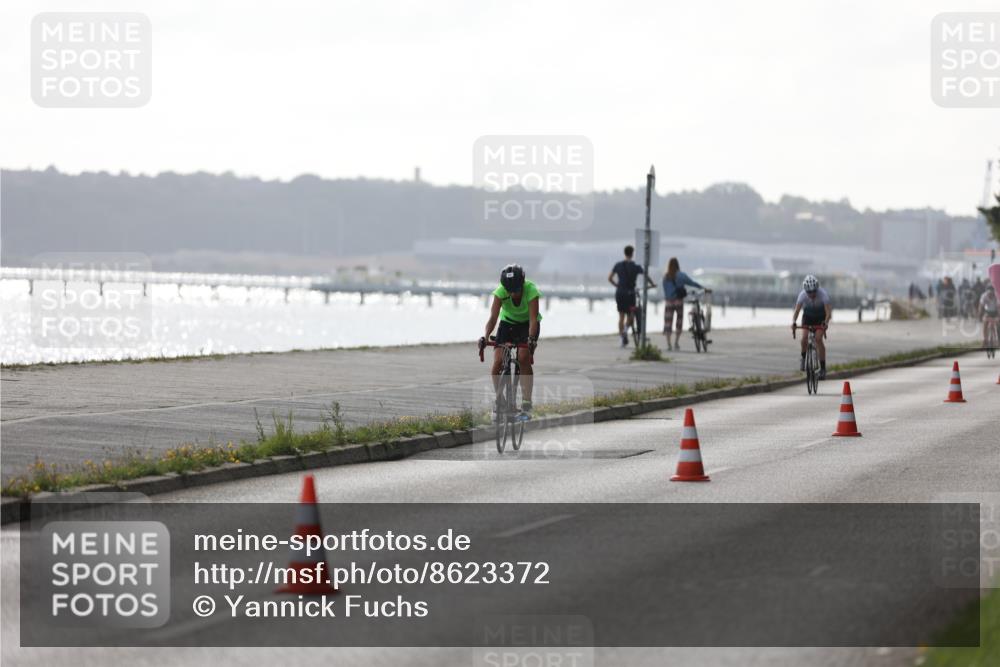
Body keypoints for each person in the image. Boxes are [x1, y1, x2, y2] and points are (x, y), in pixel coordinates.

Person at [479, 264, 540, 421]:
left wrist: (531, 339)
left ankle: (526, 403)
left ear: (523, 283)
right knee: (498, 361)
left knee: (523, 358)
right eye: (510, 291)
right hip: (507, 324)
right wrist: (486, 337)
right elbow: (493, 318)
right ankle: (500, 401)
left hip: (527, 325)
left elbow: (534, 320)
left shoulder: (531, 290)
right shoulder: (500, 292)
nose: (513, 294)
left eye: (517, 290)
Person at [608, 245, 655, 347]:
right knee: (631, 315)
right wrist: (652, 284)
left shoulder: (618, 265)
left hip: (620, 293)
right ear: (632, 253)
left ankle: (621, 339)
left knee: (621, 316)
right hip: (630, 294)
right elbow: (646, 275)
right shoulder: (636, 266)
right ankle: (625, 330)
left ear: (624, 253)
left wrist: (617, 285)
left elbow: (610, 278)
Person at [792, 275, 832, 379]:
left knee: (818, 339)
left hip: (820, 318)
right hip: (808, 317)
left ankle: (823, 369)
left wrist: (826, 322)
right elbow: (797, 311)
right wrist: (793, 322)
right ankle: (803, 358)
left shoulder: (823, 295)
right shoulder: (802, 295)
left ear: (817, 289)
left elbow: (828, 313)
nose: (812, 294)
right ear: (805, 291)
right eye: (809, 292)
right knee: (804, 338)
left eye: (814, 291)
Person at [661, 257, 706, 351]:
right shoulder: (681, 275)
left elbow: (665, 291)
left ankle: (668, 344)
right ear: (677, 265)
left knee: (668, 322)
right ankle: (676, 343)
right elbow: (692, 283)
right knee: (679, 321)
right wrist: (703, 287)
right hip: (678, 301)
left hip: (669, 302)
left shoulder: (666, 276)